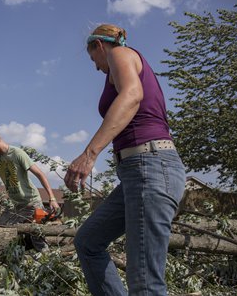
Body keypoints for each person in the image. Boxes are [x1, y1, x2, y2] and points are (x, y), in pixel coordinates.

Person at [64, 24, 186, 295]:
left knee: (144, 282)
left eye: (92, 59)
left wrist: (89, 154)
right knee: (88, 242)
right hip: (137, 172)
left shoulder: (120, 53)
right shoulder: (124, 62)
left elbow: (132, 96)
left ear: (99, 46)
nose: (95, 67)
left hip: (151, 166)